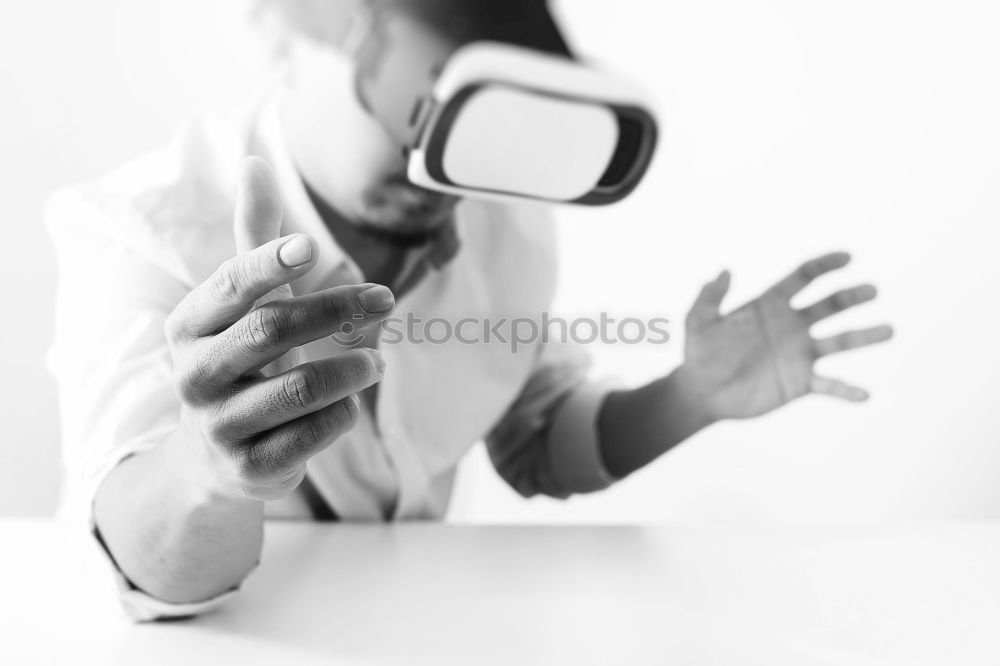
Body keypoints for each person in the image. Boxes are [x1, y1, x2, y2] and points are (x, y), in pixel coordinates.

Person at [47, 0, 893, 621]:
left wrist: (690, 397)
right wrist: (207, 466)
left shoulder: (505, 219)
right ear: (281, 31)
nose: (438, 168)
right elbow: (134, 564)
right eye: (417, 100)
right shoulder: (141, 231)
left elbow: (535, 436)